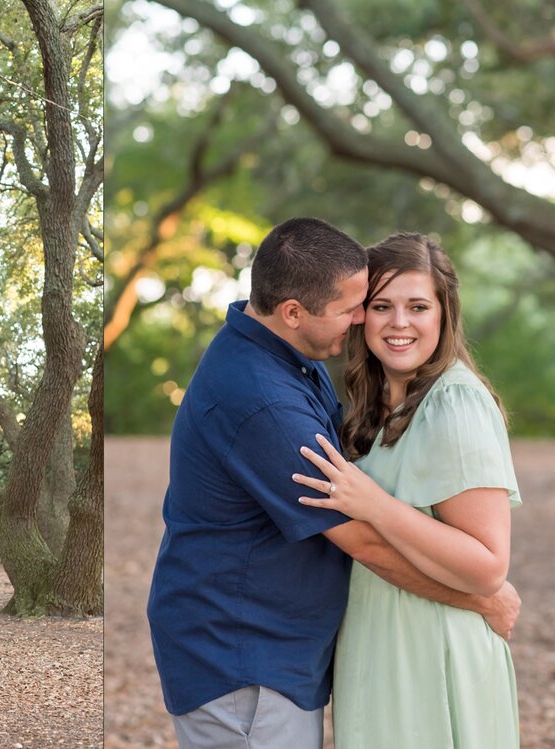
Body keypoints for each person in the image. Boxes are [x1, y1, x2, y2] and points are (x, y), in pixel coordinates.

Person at [146, 217, 520, 749]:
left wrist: (479, 590)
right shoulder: (265, 400)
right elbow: (360, 537)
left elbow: (478, 552)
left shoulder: (292, 359)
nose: (362, 320)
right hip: (243, 658)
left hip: (296, 655)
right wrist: (480, 601)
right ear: (294, 313)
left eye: (417, 306)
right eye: (360, 307)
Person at [292, 233, 521, 748]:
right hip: (379, 645)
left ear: (444, 315)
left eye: (418, 306)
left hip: (436, 652)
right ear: (360, 316)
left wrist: (375, 505)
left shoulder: (455, 403)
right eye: (381, 306)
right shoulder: (372, 410)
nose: (399, 323)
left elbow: (488, 567)